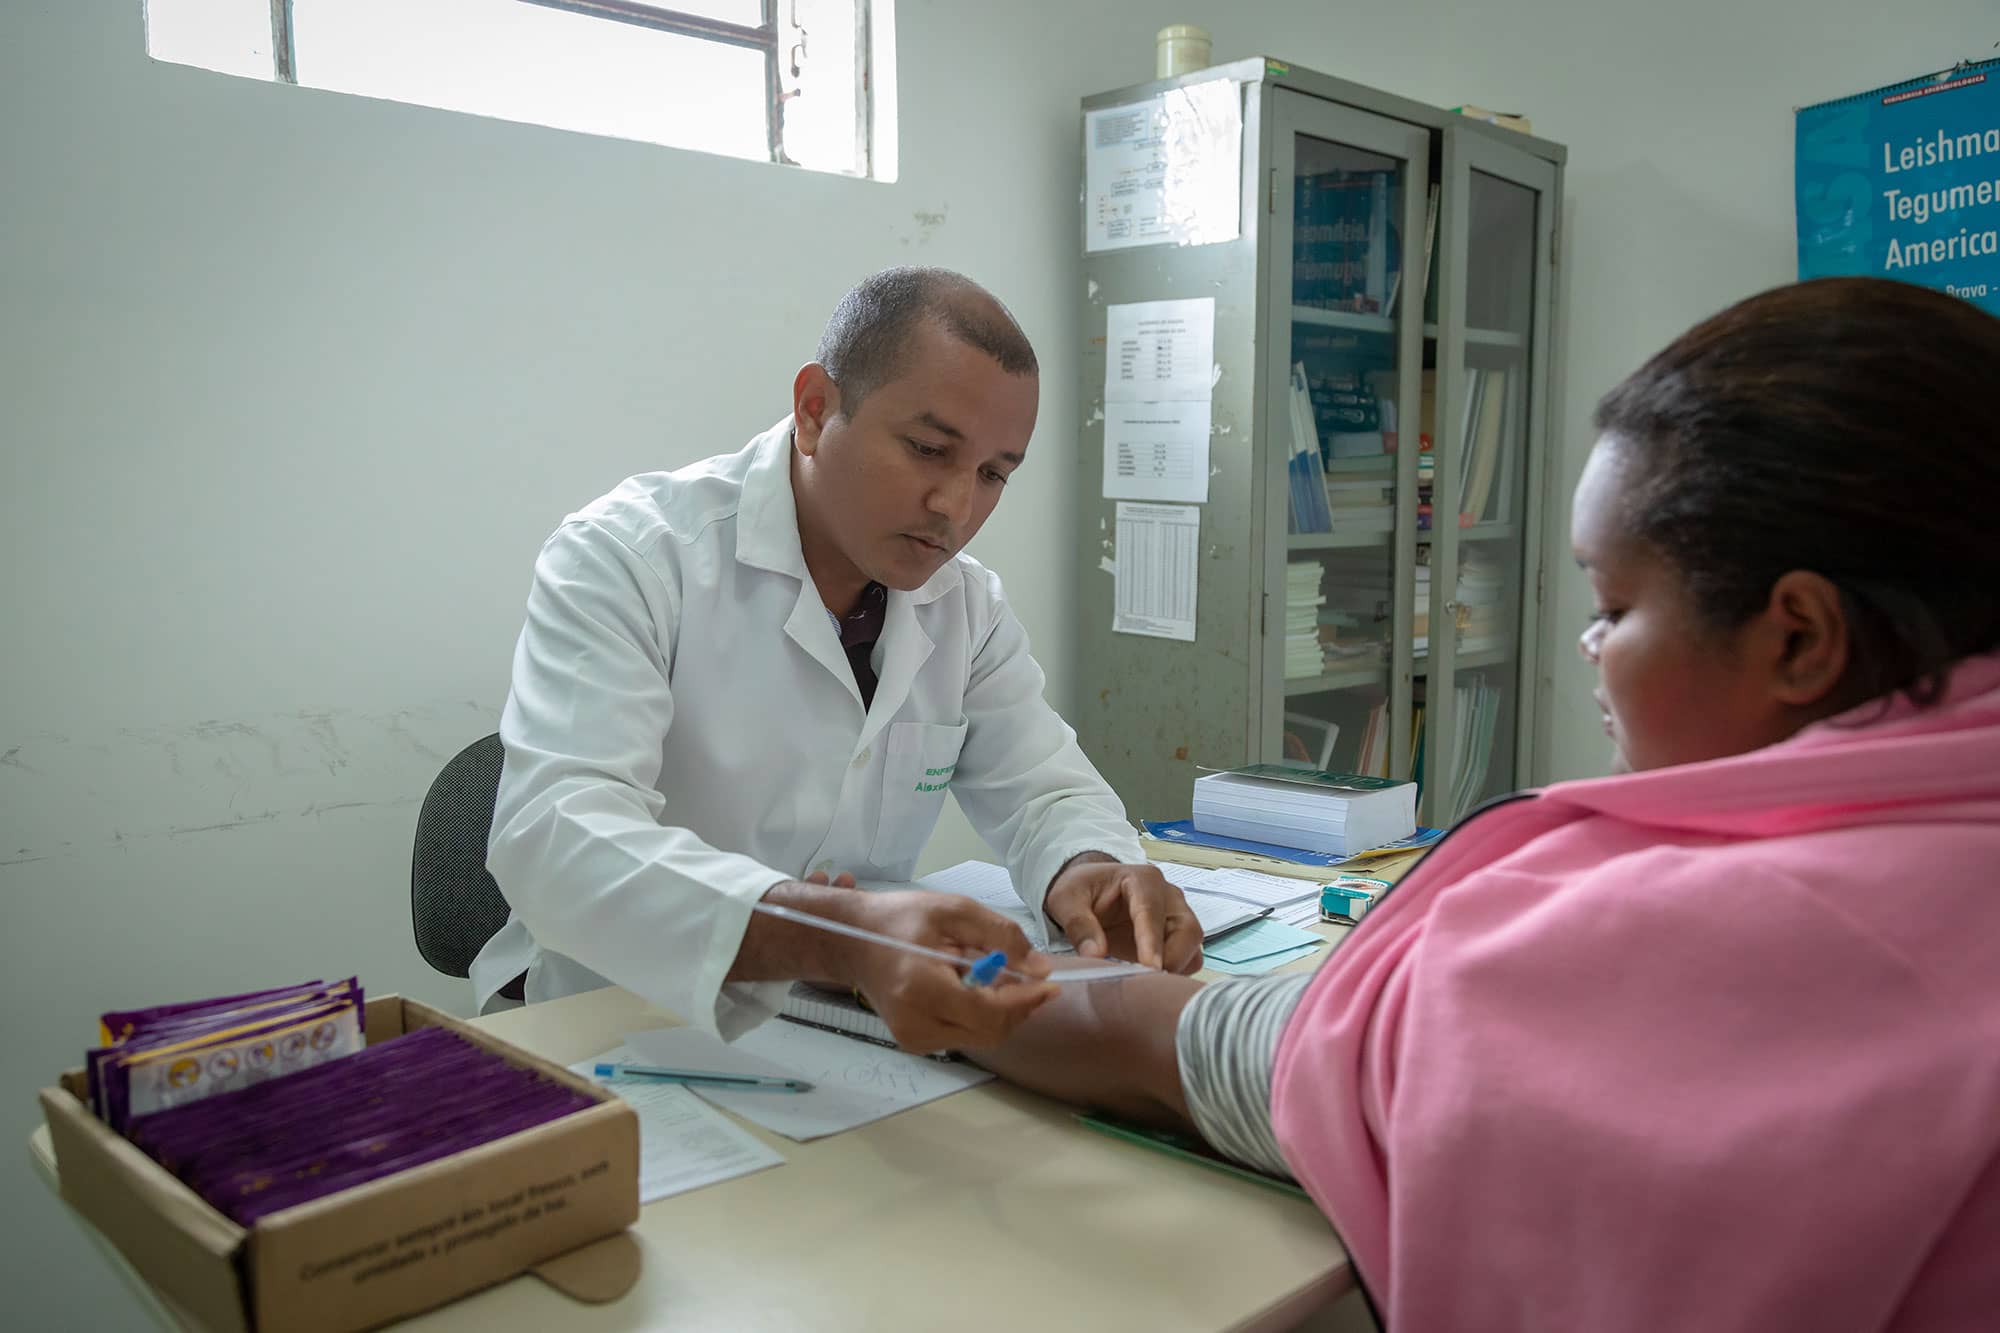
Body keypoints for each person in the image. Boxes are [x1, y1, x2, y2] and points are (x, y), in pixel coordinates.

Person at [969, 277, 2000, 1329]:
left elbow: (1186, 1036)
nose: (1587, 649)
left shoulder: (1688, 950)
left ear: (1795, 637)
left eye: (1611, 605)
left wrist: (898, 951)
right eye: (928, 451)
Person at [473, 266, 1201, 1052]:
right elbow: (555, 836)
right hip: (621, 1024)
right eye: (928, 448)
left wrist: (1087, 866)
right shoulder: (630, 558)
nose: (955, 507)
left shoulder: (965, 607)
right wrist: (832, 932)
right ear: (816, 410)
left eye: (994, 473)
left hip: (847, 1038)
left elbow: (1044, 791)